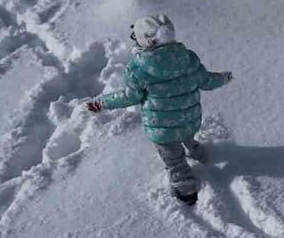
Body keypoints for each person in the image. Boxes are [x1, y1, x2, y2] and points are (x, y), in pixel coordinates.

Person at [85, 14, 232, 205]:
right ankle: (198, 151)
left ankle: (186, 188)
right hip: (190, 118)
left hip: (162, 127)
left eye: (135, 37)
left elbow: (130, 96)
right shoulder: (188, 59)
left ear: (148, 41)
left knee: (173, 160)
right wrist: (223, 78)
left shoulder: (139, 69)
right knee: (185, 134)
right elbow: (206, 81)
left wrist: (102, 103)